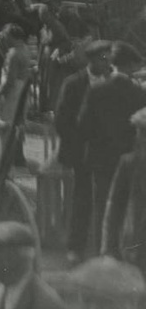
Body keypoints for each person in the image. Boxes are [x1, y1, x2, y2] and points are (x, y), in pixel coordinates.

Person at [80, 43, 146, 248]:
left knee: (103, 206)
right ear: (129, 66)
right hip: (129, 155)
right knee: (130, 208)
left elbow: (84, 124)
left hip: (101, 157)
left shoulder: (97, 89)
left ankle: (102, 252)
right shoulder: (137, 92)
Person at [58, 40, 114, 261]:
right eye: (102, 59)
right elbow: (62, 119)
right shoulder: (73, 84)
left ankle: (105, 248)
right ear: (90, 61)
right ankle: (76, 247)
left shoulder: (115, 81)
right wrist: (79, 144)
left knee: (107, 198)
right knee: (81, 197)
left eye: (109, 58)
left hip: (108, 151)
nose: (107, 63)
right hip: (81, 151)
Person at [102, 108, 146, 275]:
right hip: (134, 246)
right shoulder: (128, 164)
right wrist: (109, 248)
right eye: (141, 133)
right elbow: (115, 207)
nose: (141, 138)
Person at [0, 24, 32, 127]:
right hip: (22, 90)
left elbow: (10, 80)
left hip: (13, 92)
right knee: (18, 125)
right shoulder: (24, 49)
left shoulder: (14, 53)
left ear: (10, 36)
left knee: (7, 125)